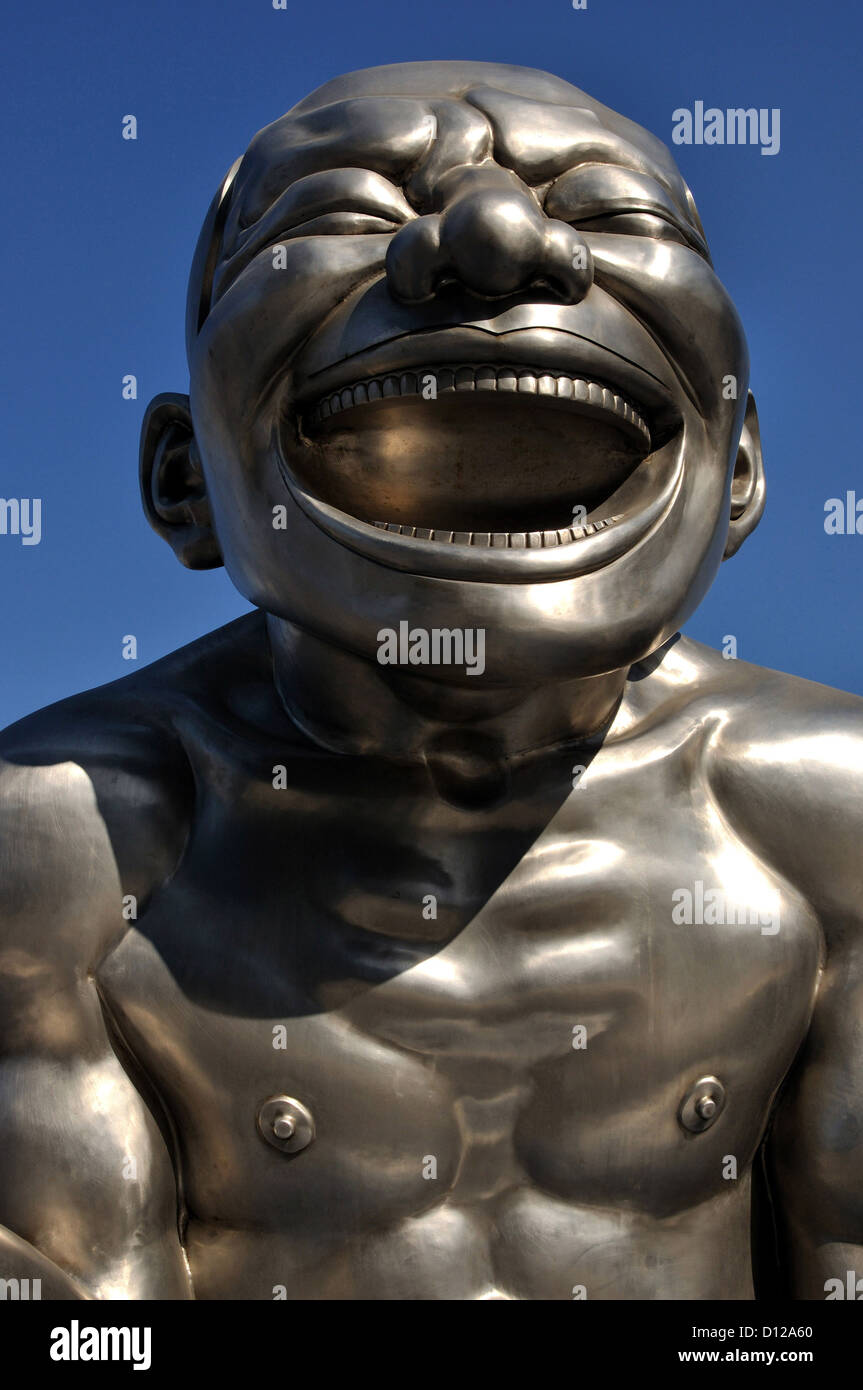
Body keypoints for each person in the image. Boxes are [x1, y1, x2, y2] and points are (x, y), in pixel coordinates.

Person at [1, 61, 860, 1301]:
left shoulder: (823, 823)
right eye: (342, 210)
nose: (499, 236)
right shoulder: (68, 854)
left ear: (736, 474)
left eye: (612, 212)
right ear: (185, 480)